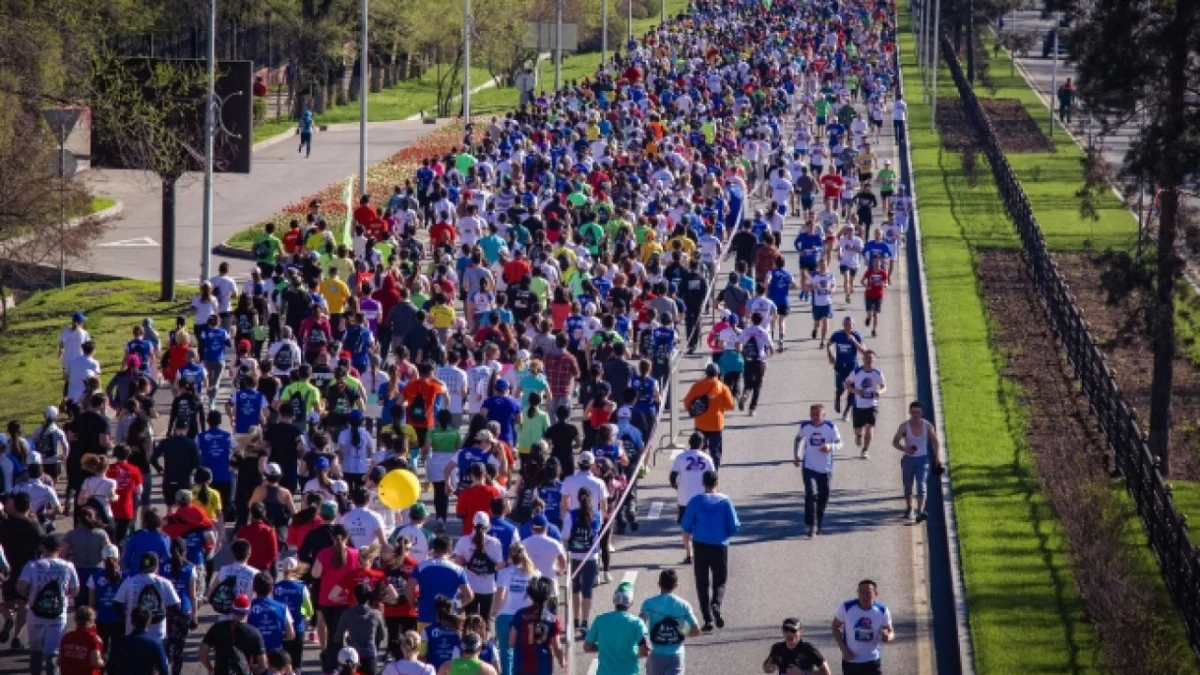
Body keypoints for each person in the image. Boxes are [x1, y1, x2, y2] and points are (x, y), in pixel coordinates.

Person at [679, 471, 738, 632]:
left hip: (700, 544)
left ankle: (708, 619)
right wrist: (724, 533)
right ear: (717, 483)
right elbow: (734, 527)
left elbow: (686, 525)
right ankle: (716, 604)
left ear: (703, 483)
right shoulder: (725, 501)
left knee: (702, 582)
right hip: (719, 545)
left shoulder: (696, 501)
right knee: (720, 580)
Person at [18, 534, 80, 675]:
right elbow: (75, 590)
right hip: (58, 614)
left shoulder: (32, 565)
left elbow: (21, 586)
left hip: (35, 613)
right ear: (60, 548)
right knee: (52, 653)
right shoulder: (68, 566)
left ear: (42, 547)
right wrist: (64, 597)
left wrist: (31, 596)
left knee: (36, 650)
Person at [638, 569, 701, 675]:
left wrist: (642, 646)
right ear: (676, 585)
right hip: (676, 654)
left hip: (655, 654)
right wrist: (682, 630)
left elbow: (639, 626)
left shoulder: (648, 603)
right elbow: (696, 630)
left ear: (659, 584)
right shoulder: (684, 605)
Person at [793, 404, 842, 538]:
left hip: (825, 469)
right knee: (811, 494)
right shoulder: (805, 426)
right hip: (809, 467)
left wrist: (830, 446)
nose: (814, 417)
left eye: (817, 415)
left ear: (823, 416)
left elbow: (839, 443)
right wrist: (797, 456)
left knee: (823, 497)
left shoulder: (830, 427)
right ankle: (812, 525)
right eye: (812, 414)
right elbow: (798, 439)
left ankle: (818, 522)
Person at [891, 401, 943, 523]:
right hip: (908, 459)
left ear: (922, 413)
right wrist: (906, 449)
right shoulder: (904, 426)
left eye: (918, 412)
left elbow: (935, 442)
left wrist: (937, 458)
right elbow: (895, 442)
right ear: (909, 412)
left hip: (923, 459)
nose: (916, 415)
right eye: (913, 412)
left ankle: (920, 511)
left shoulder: (928, 426)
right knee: (908, 484)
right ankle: (909, 508)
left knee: (921, 483)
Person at [113, 552, 182, 642]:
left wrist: (128, 617)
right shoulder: (165, 583)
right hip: (158, 634)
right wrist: (162, 614)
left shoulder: (129, 582)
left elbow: (116, 604)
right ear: (156, 566)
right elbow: (176, 607)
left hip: (133, 633)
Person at [583, 582, 650, 675]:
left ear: (614, 600)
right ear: (631, 602)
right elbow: (645, 651)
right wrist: (631, 652)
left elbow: (587, 647)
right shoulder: (638, 623)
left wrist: (603, 647)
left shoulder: (600, 620)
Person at [407, 536, 473, 629]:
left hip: (426, 616)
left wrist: (414, 604)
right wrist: (456, 606)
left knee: (423, 643)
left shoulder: (421, 567)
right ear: (450, 550)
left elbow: (408, 589)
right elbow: (469, 596)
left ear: (433, 550)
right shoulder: (458, 570)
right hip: (449, 619)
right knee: (448, 643)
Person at [831, 581, 894, 675]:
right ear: (858, 593)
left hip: (872, 659)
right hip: (851, 660)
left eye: (868, 592)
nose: (864, 596)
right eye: (861, 592)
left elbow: (890, 631)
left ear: (875, 594)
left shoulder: (882, 610)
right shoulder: (847, 607)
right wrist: (843, 650)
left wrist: (888, 637)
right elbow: (835, 627)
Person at [681, 364, 736, 469]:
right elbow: (731, 405)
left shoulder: (697, 386)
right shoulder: (723, 388)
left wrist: (694, 409)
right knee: (715, 450)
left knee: (699, 449)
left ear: (706, 373)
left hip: (700, 423)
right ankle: (713, 472)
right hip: (716, 423)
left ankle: (698, 470)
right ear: (717, 374)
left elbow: (686, 402)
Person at [453, 512, 505, 622]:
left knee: (470, 621)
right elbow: (499, 565)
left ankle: (471, 638)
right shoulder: (495, 543)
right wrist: (489, 568)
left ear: (472, 525)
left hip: (469, 587)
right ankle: (484, 639)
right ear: (488, 526)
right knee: (485, 622)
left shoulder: (464, 541)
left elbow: (457, 561)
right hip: (488, 588)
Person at [200, 594, 268, 675]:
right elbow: (263, 665)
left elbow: (203, 651)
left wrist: (210, 669)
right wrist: (252, 670)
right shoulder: (254, 632)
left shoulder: (217, 627)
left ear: (232, 610)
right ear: (249, 611)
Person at [332, 583, 387, 675]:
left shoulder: (347, 614)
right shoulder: (376, 614)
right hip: (370, 654)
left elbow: (338, 636)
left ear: (354, 597)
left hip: (352, 656)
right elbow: (382, 636)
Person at [845, 351, 886, 458]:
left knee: (870, 428)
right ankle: (858, 435)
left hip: (872, 405)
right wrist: (856, 391)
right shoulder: (856, 372)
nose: (869, 360)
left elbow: (884, 387)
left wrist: (879, 392)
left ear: (875, 360)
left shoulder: (877, 373)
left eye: (871, 358)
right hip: (859, 405)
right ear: (863, 360)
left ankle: (865, 450)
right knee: (858, 430)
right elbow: (847, 384)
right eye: (867, 358)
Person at [105, 608, 170, 675]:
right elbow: (164, 670)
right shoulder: (155, 644)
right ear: (149, 621)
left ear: (132, 621)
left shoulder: (121, 642)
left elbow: (111, 666)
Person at [762, 618, 830, 674]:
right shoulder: (777, 648)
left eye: (793, 631)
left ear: (800, 632)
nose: (789, 634)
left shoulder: (808, 650)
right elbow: (766, 665)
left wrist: (802, 673)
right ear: (782, 632)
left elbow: (827, 672)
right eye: (786, 630)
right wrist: (767, 668)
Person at [57, 606, 105, 675]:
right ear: (92, 620)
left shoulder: (67, 637)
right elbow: (96, 662)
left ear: (75, 619)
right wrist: (105, 662)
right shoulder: (93, 638)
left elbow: (59, 661)